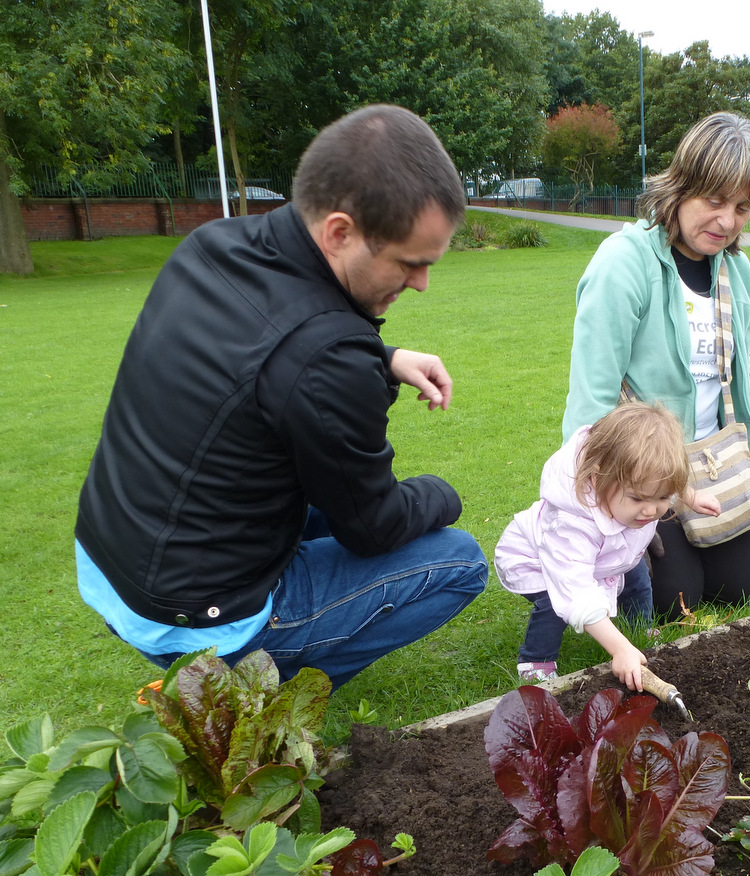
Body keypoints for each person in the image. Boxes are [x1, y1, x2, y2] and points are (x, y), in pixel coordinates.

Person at [74, 105, 489, 691]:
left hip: (113, 561)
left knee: (324, 495)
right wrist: (443, 495)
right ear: (339, 232)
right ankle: (267, 692)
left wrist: (385, 356)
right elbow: (373, 528)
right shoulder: (328, 358)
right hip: (197, 616)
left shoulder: (212, 246)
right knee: (459, 560)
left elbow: (272, 344)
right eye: (410, 263)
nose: (420, 283)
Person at [562, 111, 750, 620]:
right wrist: (595, 508)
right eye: (715, 200)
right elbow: (592, 395)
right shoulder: (623, 262)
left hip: (712, 464)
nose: (727, 222)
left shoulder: (736, 269)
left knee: (748, 585)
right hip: (644, 471)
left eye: (742, 207)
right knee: (672, 601)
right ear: (680, 186)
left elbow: (737, 390)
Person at [494, 403, 720, 687]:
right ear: (598, 478)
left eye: (663, 498)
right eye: (638, 498)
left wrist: (690, 497)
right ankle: (537, 660)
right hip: (537, 560)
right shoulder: (571, 524)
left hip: (607, 554)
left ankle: (639, 628)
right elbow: (575, 590)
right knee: (554, 603)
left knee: (638, 579)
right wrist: (618, 650)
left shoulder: (637, 487)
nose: (651, 510)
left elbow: (663, 481)